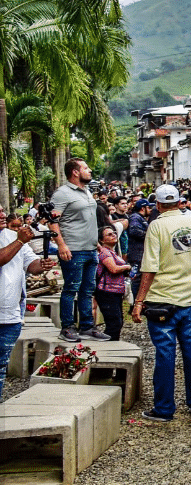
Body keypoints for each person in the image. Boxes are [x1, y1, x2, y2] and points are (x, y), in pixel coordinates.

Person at [130, 184, 191, 421]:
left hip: (162, 301)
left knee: (165, 354)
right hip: (190, 300)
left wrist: (139, 301)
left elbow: (149, 268)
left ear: (157, 205)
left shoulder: (156, 226)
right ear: (180, 202)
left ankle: (164, 409)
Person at [50, 158, 109, 343]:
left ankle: (87, 326)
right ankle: (67, 327)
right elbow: (52, 221)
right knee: (71, 289)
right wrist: (61, 245)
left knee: (88, 290)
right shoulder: (62, 194)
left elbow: (86, 219)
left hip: (90, 249)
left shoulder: (87, 191)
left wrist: (96, 243)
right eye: (85, 168)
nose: (89, 170)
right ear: (75, 172)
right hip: (73, 249)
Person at [0, 224, 57, 398]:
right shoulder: (18, 239)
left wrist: (41, 264)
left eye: (2, 211)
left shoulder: (13, 236)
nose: (2, 215)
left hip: (9, 317)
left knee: (1, 367)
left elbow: (31, 265)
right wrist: (19, 241)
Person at [95, 226, 130, 341]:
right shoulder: (104, 253)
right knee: (114, 322)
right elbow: (113, 269)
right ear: (101, 240)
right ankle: (109, 345)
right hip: (106, 291)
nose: (114, 235)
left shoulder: (112, 252)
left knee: (118, 321)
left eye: (114, 233)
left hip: (115, 291)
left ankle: (113, 342)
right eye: (109, 234)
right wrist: (127, 267)